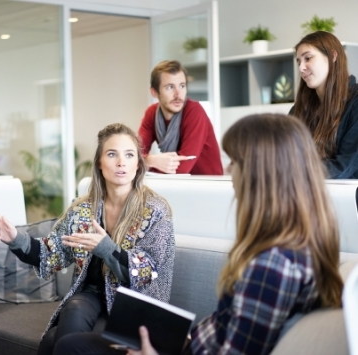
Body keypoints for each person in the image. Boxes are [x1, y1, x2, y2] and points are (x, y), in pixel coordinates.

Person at [55, 114, 343, 355]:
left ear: (261, 174)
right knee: (69, 342)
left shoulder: (272, 266)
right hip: (191, 343)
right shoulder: (295, 247)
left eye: (235, 162)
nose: (229, 171)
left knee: (71, 347)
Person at [0, 123, 175, 355]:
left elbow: (146, 271)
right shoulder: (83, 209)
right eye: (112, 154)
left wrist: (106, 248)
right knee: (73, 308)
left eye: (129, 155)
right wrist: (14, 238)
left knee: (55, 340)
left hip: (135, 305)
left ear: (138, 165)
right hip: (91, 295)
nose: (121, 162)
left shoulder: (155, 210)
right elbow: (50, 254)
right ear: (100, 164)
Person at [292, 31, 358, 178]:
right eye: (298, 62)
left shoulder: (355, 103)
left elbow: (344, 166)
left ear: (332, 56)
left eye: (308, 58)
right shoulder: (299, 108)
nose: (301, 68)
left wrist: (293, 173)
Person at [138, 60, 223, 175]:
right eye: (170, 87)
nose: (178, 94)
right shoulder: (151, 113)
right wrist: (150, 160)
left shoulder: (194, 111)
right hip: (176, 185)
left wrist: (146, 163)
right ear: (154, 92)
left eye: (182, 86)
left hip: (207, 185)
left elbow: (182, 168)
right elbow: (134, 156)